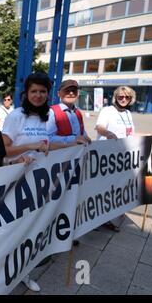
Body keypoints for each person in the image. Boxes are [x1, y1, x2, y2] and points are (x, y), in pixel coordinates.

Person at [1, 72, 56, 293]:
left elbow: (47, 147)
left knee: (30, 230)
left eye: (43, 91)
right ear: (26, 93)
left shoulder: (48, 116)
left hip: (38, 184)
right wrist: (29, 147)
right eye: (34, 91)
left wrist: (74, 142)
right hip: (16, 182)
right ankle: (2, 272)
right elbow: (3, 149)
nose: (38, 95)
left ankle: (24, 272)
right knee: (12, 231)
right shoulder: (16, 116)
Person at [46, 79, 91, 246]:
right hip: (58, 163)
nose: (71, 93)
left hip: (74, 164)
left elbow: (82, 133)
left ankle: (64, 234)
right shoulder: (52, 112)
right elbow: (48, 139)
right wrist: (74, 139)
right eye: (67, 90)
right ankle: (51, 237)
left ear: (78, 93)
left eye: (74, 90)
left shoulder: (78, 112)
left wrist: (86, 137)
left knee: (70, 198)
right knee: (57, 200)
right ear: (59, 93)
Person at [95, 85, 136, 231]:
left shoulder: (128, 114)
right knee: (102, 188)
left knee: (116, 188)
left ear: (131, 99)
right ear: (116, 97)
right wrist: (108, 134)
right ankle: (97, 218)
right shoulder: (108, 110)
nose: (124, 99)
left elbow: (130, 134)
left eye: (127, 97)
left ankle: (109, 218)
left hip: (121, 158)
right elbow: (99, 127)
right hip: (105, 156)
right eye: (121, 96)